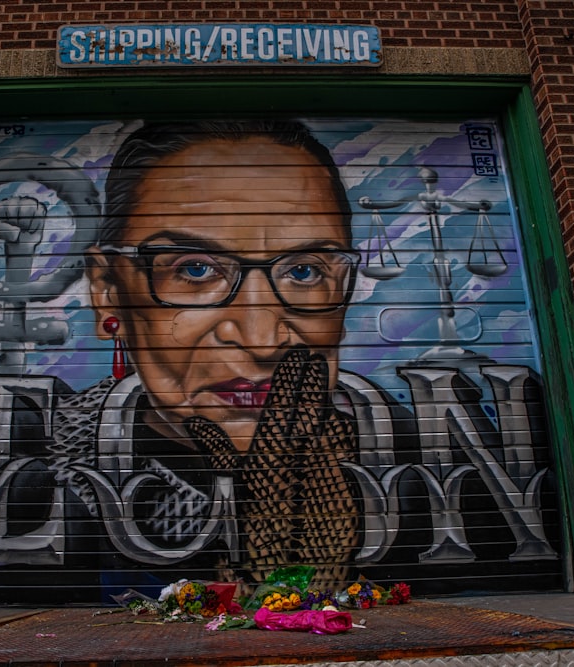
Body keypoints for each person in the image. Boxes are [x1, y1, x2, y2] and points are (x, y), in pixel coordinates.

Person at [39, 120, 409, 592]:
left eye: (303, 270)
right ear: (108, 290)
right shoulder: (9, 493)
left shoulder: (418, 451)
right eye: (195, 269)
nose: (261, 339)